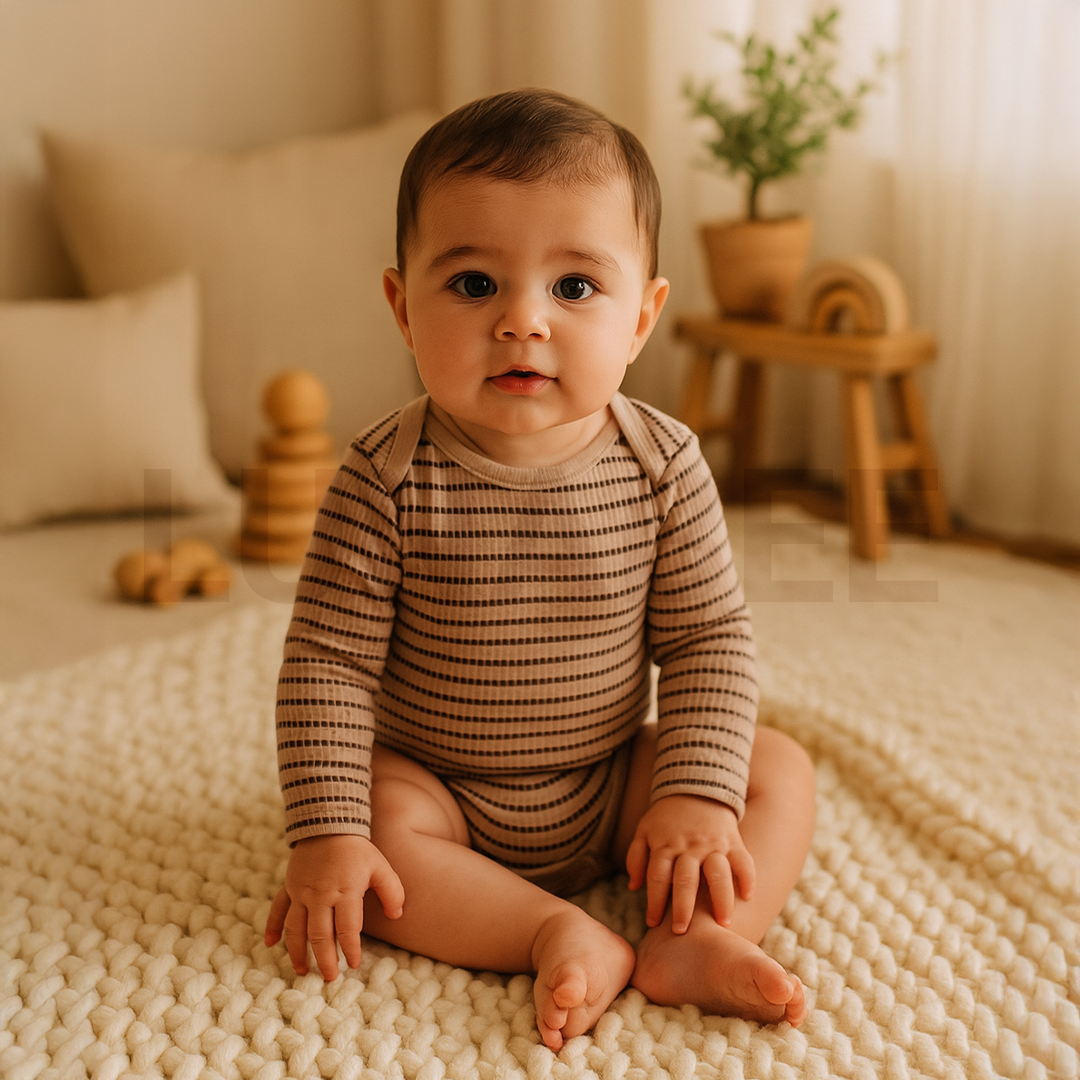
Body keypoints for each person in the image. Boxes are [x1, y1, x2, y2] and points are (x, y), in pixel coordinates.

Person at [264, 88, 816, 1051]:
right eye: (474, 285)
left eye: (574, 287)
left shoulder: (663, 466)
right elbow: (328, 666)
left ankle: (700, 935)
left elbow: (707, 639)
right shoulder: (383, 477)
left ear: (642, 318)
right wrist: (326, 832)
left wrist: (690, 791)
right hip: (442, 789)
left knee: (773, 771)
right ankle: (549, 930)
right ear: (402, 305)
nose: (524, 320)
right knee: (372, 852)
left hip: (609, 782)